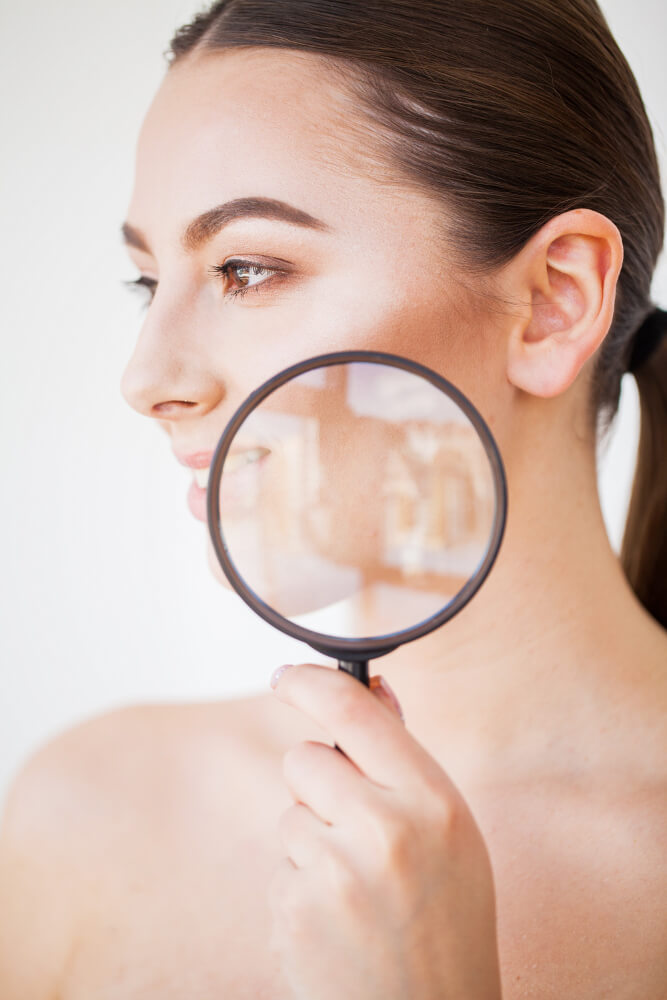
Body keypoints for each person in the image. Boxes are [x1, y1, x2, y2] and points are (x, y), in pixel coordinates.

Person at [1, 1, 666, 996]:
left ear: (551, 301)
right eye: (149, 282)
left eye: (246, 268)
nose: (146, 379)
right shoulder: (84, 815)